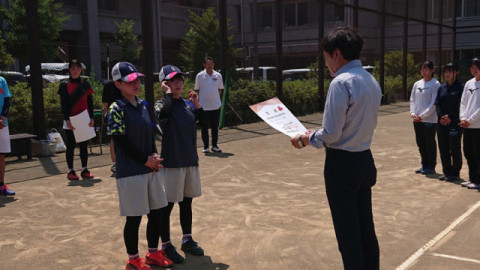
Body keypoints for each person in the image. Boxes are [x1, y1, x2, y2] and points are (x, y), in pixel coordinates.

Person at [291, 27, 381, 270]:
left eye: (326, 58)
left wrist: (306, 139)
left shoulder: (341, 83)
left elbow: (331, 134)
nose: (327, 64)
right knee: (366, 230)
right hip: (364, 160)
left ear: (337, 54)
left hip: (343, 166)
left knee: (348, 235)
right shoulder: (370, 80)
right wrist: (316, 134)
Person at [106, 61, 173, 270]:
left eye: (138, 79)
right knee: (134, 218)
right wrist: (145, 160)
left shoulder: (143, 105)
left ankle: (153, 254)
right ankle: (133, 260)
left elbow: (150, 133)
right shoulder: (116, 108)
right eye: (130, 81)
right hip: (131, 172)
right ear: (118, 84)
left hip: (150, 167)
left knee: (157, 212)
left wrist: (154, 158)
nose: (136, 84)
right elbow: (121, 142)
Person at [155, 65, 204, 263]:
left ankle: (187, 239)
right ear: (164, 84)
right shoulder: (161, 104)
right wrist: (168, 95)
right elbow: (163, 117)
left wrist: (197, 105)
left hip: (190, 161)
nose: (178, 83)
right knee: (167, 206)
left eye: (180, 80)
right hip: (172, 162)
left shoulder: (187, 105)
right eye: (173, 80)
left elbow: (204, 124)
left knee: (187, 202)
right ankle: (166, 245)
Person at [58, 59, 95, 180]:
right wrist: (67, 119)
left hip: (84, 118)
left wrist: (92, 117)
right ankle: (70, 170)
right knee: (71, 145)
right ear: (69, 69)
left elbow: (90, 102)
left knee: (83, 144)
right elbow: (63, 104)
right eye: (73, 68)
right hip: (71, 119)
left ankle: (84, 169)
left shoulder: (85, 84)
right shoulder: (64, 84)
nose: (75, 71)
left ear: (81, 70)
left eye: (77, 68)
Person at [410, 61, 441, 175]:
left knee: (429, 143)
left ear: (432, 70)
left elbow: (433, 104)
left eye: (426, 69)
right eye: (422, 69)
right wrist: (413, 113)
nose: (424, 71)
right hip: (417, 120)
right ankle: (424, 164)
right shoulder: (417, 84)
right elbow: (412, 99)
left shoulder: (435, 84)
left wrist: (422, 116)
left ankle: (431, 166)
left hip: (429, 120)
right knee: (421, 143)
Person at [435, 63, 464, 182]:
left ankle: (455, 173)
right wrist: (442, 117)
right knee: (443, 148)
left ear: (456, 73)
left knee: (455, 149)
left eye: (449, 71)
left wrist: (450, 117)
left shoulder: (461, 87)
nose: (447, 74)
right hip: (441, 124)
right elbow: (437, 105)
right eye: (445, 71)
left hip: (454, 123)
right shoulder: (441, 88)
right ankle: (446, 172)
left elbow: (461, 106)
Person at [194, 56, 224, 153]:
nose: (210, 66)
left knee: (215, 128)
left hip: (216, 106)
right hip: (203, 107)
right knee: (204, 128)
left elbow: (219, 89)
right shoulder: (199, 76)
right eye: (208, 64)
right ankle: (206, 147)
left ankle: (214, 146)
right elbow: (197, 89)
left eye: (211, 64)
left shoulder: (218, 75)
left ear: (213, 65)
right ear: (204, 65)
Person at [459, 57, 480, 189]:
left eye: (477, 67)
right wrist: (463, 118)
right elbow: (463, 102)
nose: (474, 70)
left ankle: (478, 181)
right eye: (472, 68)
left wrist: (470, 120)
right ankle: (472, 178)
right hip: (466, 126)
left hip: (477, 126)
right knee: (468, 152)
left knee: (478, 154)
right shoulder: (468, 83)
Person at [102, 80, 122, 173]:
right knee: (113, 139)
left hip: (124, 111)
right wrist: (106, 116)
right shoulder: (108, 85)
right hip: (112, 113)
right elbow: (105, 104)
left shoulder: (125, 82)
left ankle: (120, 162)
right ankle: (115, 163)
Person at [0, 75, 15, 196]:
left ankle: (1, 186)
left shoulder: (2, 80)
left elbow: (7, 100)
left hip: (2, 124)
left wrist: (2, 117)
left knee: (1, 156)